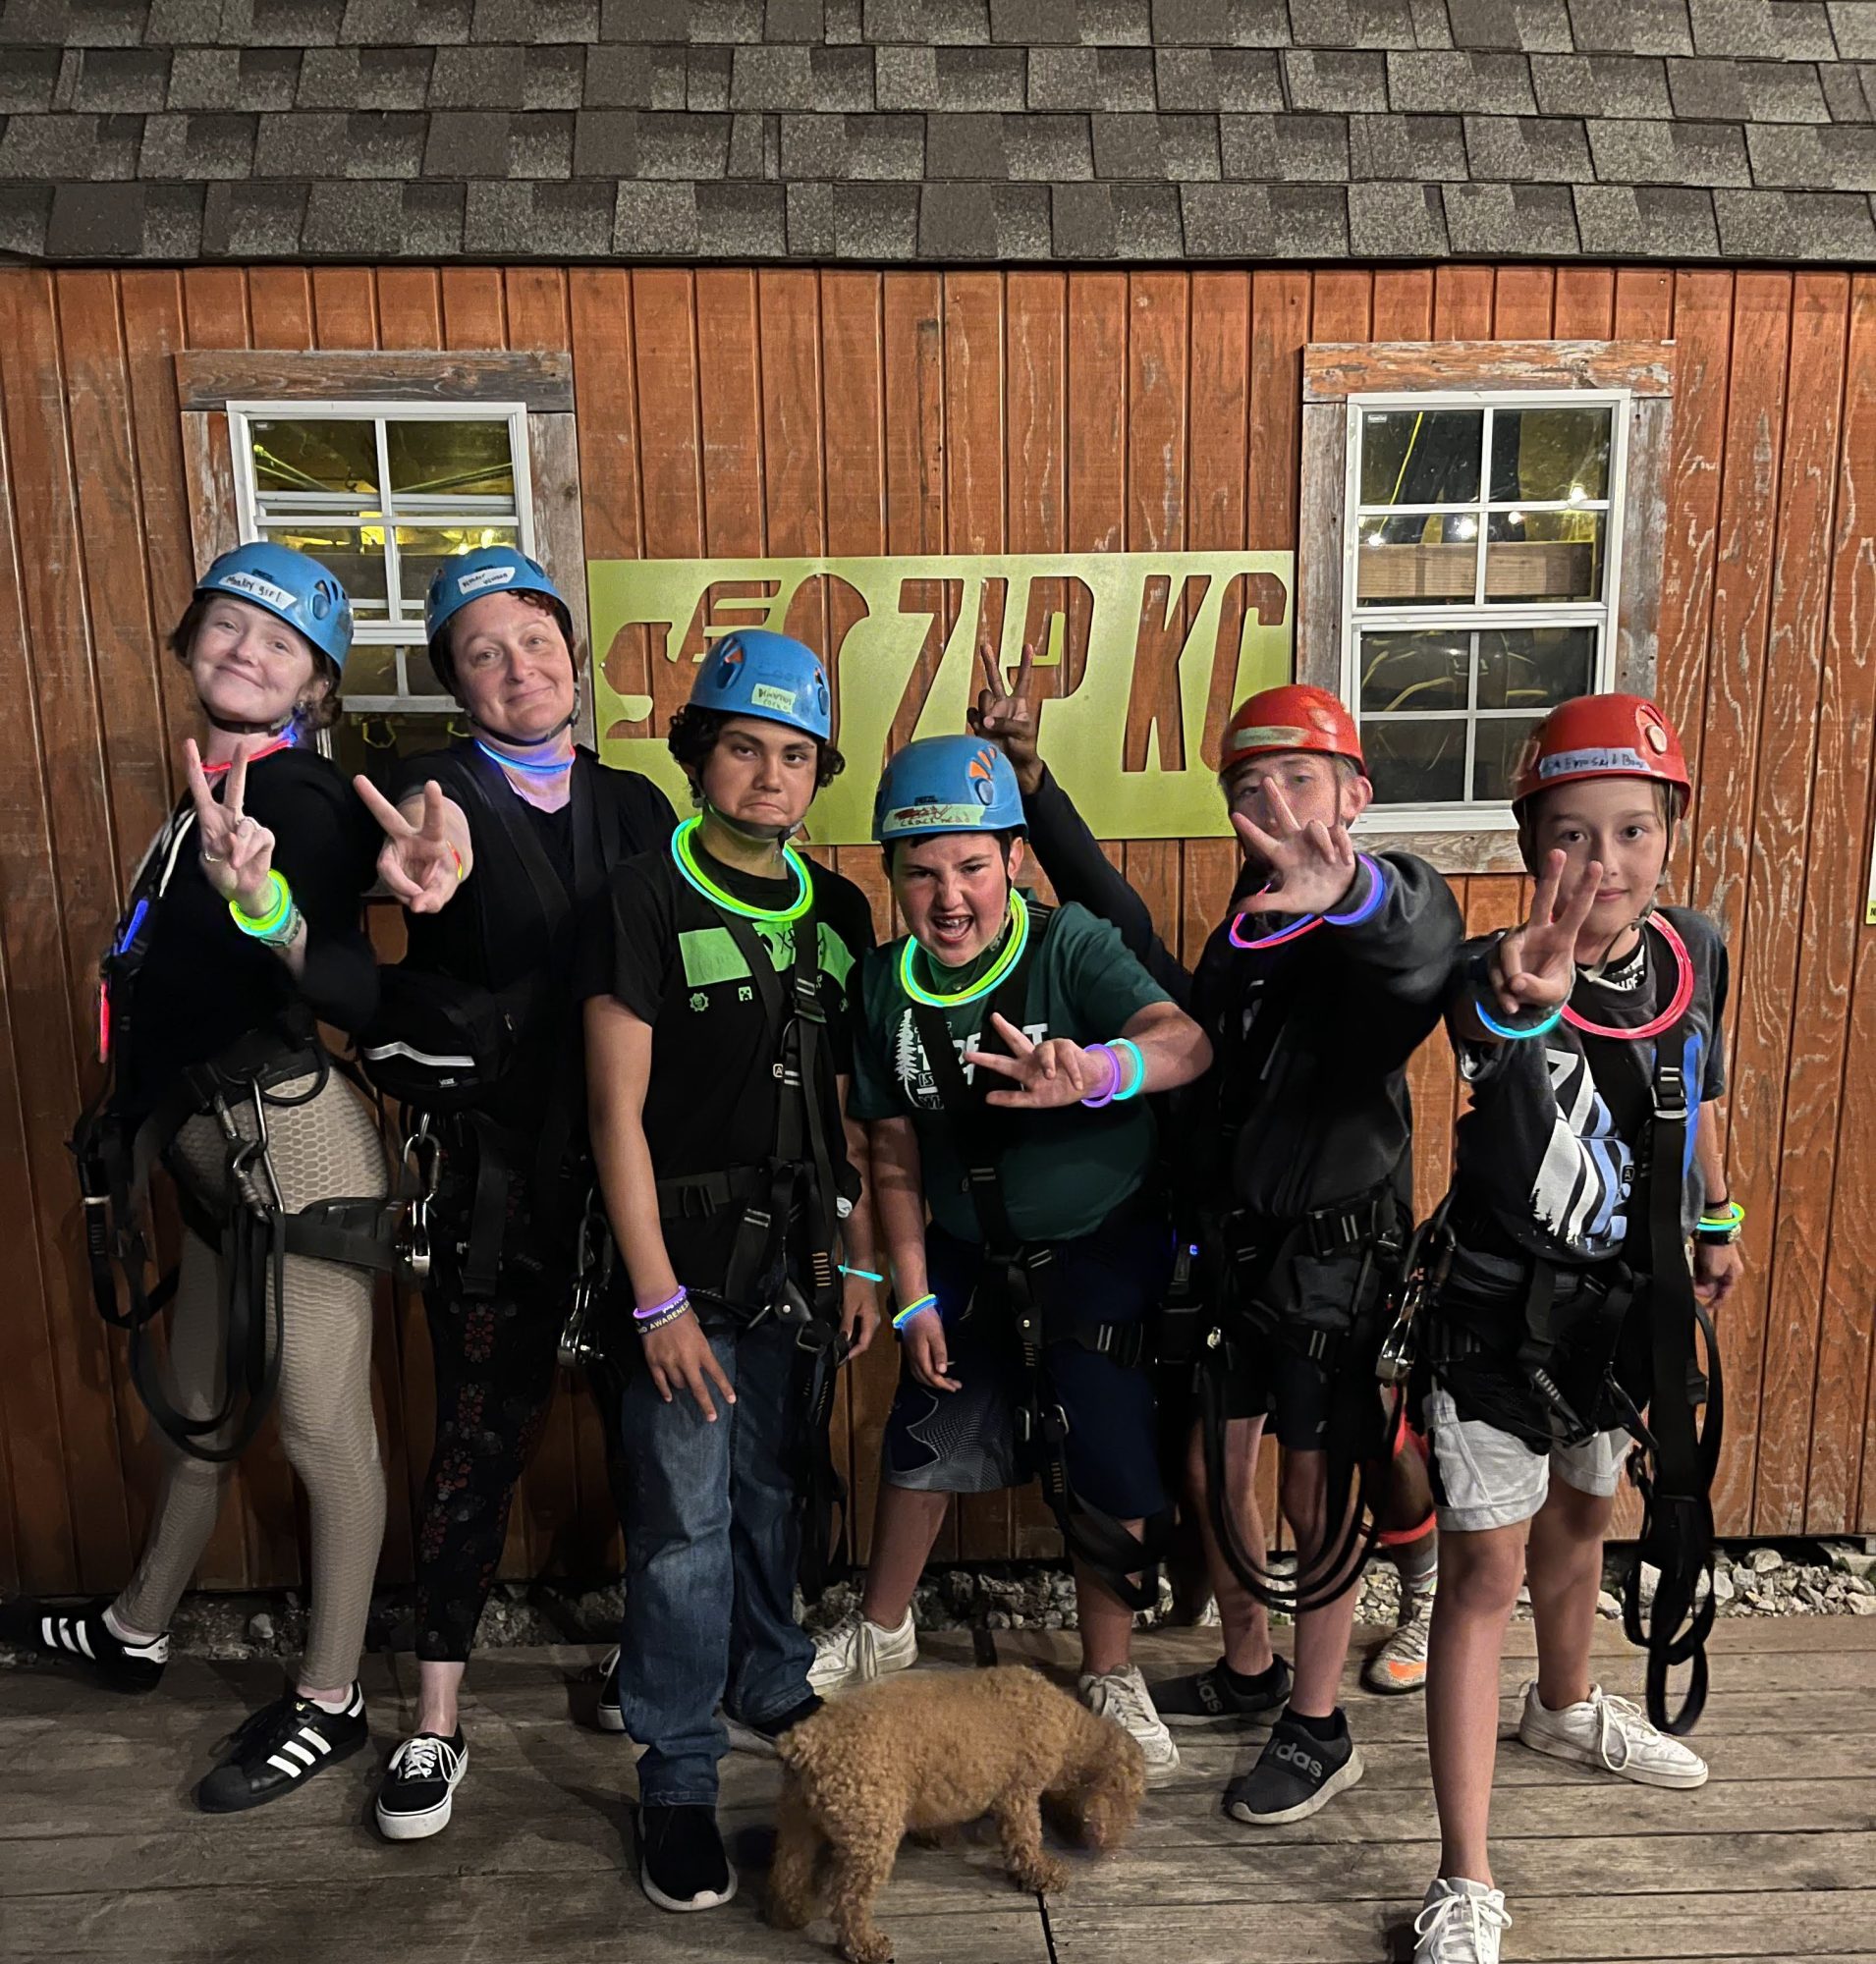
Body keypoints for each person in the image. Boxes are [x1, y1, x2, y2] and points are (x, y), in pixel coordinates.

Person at [3, 543, 444, 1813]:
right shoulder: (199, 795)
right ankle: (140, 1629)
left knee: (318, 1429)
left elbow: (351, 983)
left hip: (290, 1146)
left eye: (279, 641)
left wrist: (277, 911)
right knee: (193, 1414)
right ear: (193, 642)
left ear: (314, 681)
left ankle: (332, 1698)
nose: (246, 650)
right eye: (228, 627)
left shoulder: (297, 800)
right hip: (213, 1157)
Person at [356, 547, 678, 1843]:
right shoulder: (426, 804)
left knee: (655, 1444)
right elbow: (381, 934)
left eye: (534, 641)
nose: (517, 668)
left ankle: (649, 1665)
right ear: (454, 682)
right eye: (482, 652)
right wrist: (407, 899)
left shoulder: (640, 803)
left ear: (572, 654)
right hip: (499, 1184)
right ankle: (436, 1725)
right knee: (476, 1453)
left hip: (638, 1183)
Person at [1412, 694, 1738, 1964]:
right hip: (1495, 1321)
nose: (1599, 867)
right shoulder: (1491, 975)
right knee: (1482, 1572)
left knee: (1587, 1516)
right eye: (1568, 838)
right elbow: (1492, 1037)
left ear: (1667, 835)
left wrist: (1718, 1215)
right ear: (1525, 843)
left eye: (1629, 832)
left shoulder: (1693, 950)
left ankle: (1562, 1704)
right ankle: (1462, 1875)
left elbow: (1699, 1088)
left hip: (1620, 1315)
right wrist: (1521, 1001)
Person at [820, 734, 1213, 1779]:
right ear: (891, 876)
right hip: (955, 1240)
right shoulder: (877, 985)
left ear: (1013, 861)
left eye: (971, 865)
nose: (947, 894)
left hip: (1096, 1240)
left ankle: (1109, 1668)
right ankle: (884, 1629)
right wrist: (908, 1295)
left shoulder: (1068, 946)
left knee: (1108, 1444)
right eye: (920, 870)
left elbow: (1185, 1040)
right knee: (925, 1422)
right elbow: (886, 1145)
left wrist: (1097, 1068)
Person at [581, 629, 882, 1915]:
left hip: (800, 1269)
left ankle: (767, 1680)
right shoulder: (641, 896)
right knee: (681, 1537)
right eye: (745, 747)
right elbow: (614, 1117)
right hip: (683, 1279)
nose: (769, 775)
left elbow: (860, 1114)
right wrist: (654, 1299)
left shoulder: (844, 912)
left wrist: (863, 1261)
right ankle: (677, 1776)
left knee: (770, 1494)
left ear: (819, 773)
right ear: (700, 752)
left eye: (794, 755)